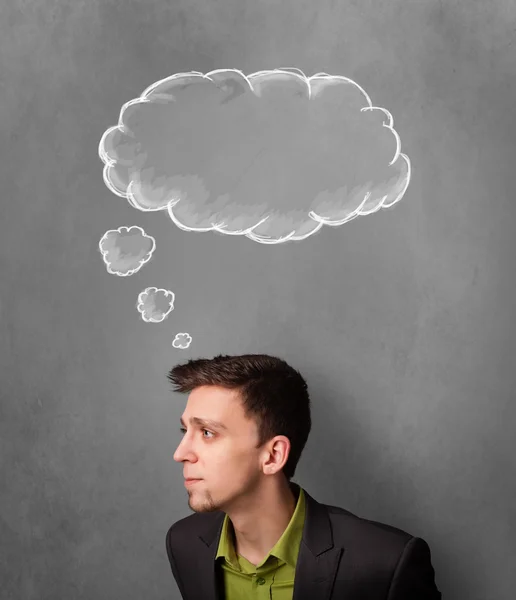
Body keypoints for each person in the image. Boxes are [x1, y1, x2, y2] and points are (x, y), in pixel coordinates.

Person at [165, 354, 441, 600]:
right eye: (184, 431)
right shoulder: (185, 543)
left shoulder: (386, 562)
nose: (181, 453)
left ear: (273, 456)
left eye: (207, 433)